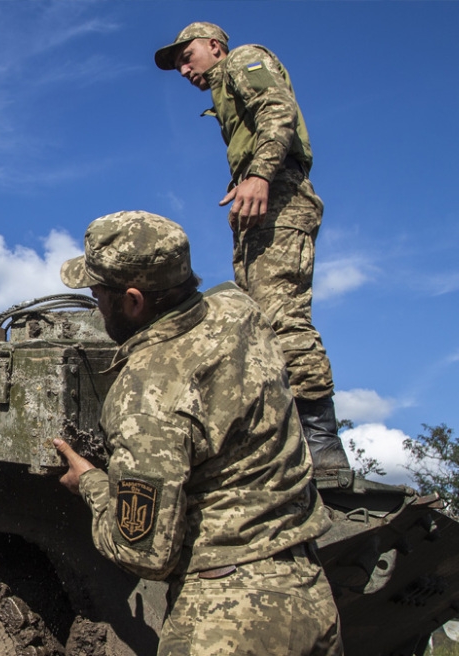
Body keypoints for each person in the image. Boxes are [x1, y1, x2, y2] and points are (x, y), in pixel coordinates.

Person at [54, 211, 342, 655]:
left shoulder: (147, 389)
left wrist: (91, 483)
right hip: (311, 597)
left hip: (227, 621)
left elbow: (144, 553)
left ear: (134, 301)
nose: (96, 306)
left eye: (99, 295)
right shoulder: (240, 310)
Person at [153, 22, 349, 472]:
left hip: (280, 198)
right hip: (261, 206)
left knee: (282, 318)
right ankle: (289, 444)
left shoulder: (243, 60)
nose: (184, 70)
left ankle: (322, 447)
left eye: (187, 57)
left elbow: (277, 109)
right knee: (260, 327)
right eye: (178, 65)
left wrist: (258, 175)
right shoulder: (224, 91)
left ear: (214, 46)